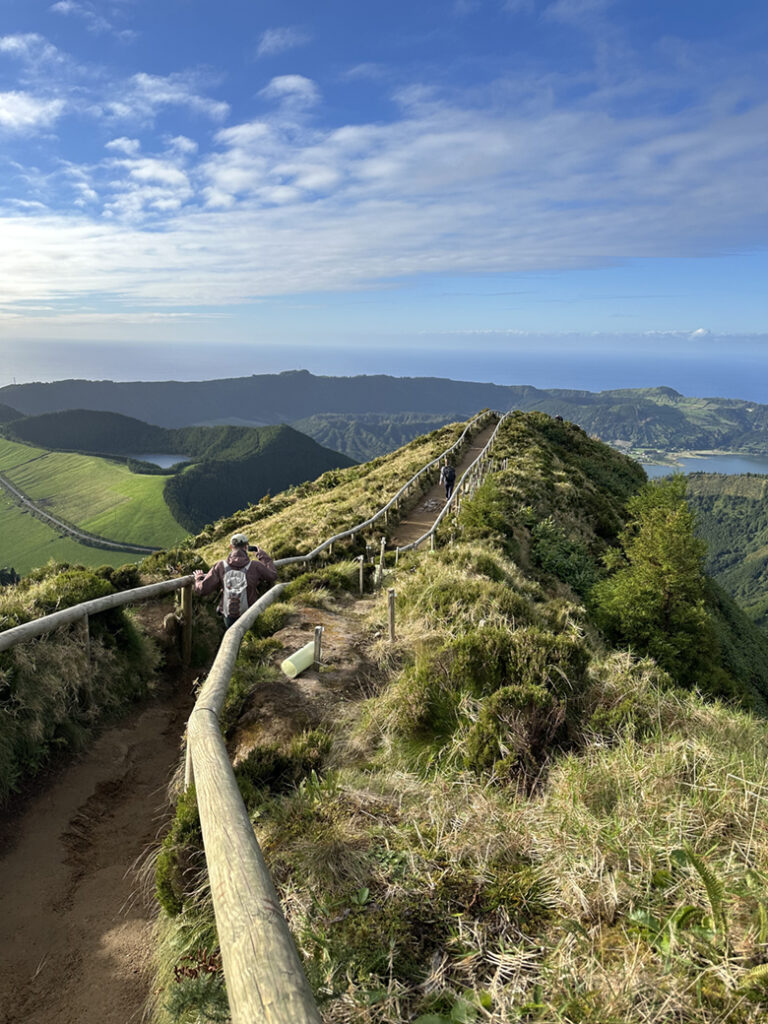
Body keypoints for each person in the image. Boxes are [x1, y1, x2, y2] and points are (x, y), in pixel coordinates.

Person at [193, 533, 277, 628]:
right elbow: (272, 575)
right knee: (247, 638)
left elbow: (202, 590)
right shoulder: (255, 566)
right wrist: (261, 554)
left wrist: (199, 579)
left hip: (229, 615)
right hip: (250, 613)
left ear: (230, 547)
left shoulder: (220, 566)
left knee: (231, 637)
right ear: (246, 547)